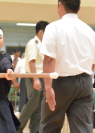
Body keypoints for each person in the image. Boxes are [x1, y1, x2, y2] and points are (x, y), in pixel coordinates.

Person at [40, 0, 95, 132]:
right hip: (86, 82)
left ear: (60, 5)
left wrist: (48, 86)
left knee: (50, 125)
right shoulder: (89, 30)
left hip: (60, 82)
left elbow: (49, 59)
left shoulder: (54, 27)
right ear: (79, 8)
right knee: (83, 128)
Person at [17, 21, 49, 133]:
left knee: (39, 106)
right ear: (41, 32)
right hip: (33, 76)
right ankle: (18, 127)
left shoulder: (42, 44)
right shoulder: (33, 43)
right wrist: (35, 79)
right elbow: (32, 62)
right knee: (33, 103)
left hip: (41, 76)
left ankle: (35, 130)